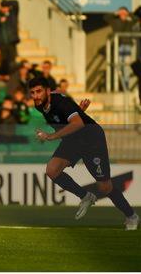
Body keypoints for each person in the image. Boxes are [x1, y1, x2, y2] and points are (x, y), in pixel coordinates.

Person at [28, 77, 138, 230]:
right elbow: (69, 118)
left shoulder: (60, 102)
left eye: (39, 91)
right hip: (72, 140)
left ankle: (131, 216)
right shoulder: (41, 105)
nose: (35, 95)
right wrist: (79, 111)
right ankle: (85, 196)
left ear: (47, 90)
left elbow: (78, 123)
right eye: (32, 92)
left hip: (91, 139)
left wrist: (51, 136)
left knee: (104, 187)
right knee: (52, 170)